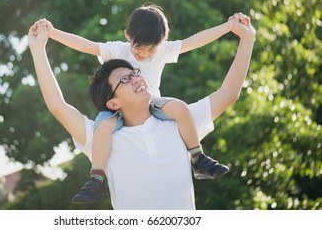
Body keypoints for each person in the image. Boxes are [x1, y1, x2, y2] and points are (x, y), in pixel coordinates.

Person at [28, 14, 256, 209]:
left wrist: (246, 39)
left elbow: (228, 93)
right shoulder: (102, 137)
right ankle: (96, 180)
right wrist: (39, 48)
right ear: (113, 103)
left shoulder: (178, 122)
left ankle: (199, 159)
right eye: (125, 79)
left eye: (135, 73)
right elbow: (58, 106)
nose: (137, 78)